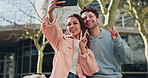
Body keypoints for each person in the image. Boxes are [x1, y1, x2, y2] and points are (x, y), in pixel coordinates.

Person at [41, 0, 99, 78]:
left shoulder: (87, 49)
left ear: (81, 26)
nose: (71, 26)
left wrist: (82, 49)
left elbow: (91, 70)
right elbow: (53, 28)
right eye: (69, 24)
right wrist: (50, 13)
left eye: (75, 23)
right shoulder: (61, 40)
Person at [80, 6, 133, 78]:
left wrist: (118, 40)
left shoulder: (112, 36)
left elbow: (128, 59)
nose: (88, 19)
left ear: (97, 20)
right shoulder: (82, 41)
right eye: (84, 18)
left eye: (90, 16)